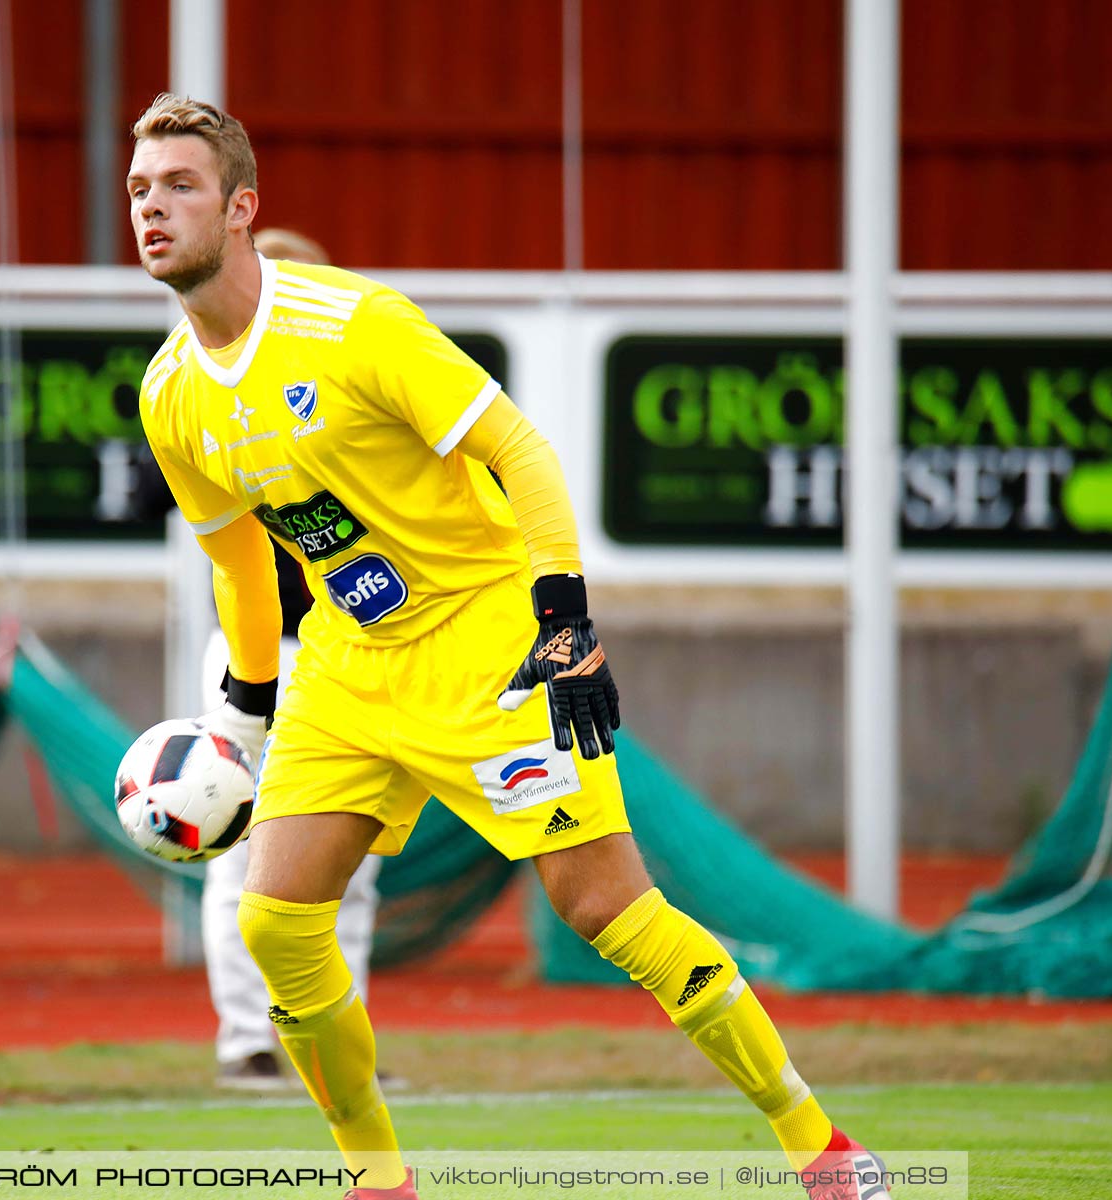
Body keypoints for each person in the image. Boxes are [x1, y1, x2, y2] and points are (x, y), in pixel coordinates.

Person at [127, 93, 890, 1200]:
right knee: (274, 922)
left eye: (181, 186)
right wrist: (242, 717)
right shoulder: (169, 393)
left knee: (607, 914)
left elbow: (521, 452)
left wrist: (565, 620)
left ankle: (817, 1145)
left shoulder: (356, 325)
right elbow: (242, 565)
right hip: (346, 663)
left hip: (486, 640)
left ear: (243, 208)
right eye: (142, 191)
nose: (154, 209)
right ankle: (380, 1180)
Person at [199, 227, 389, 1092]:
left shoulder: (361, 400)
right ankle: (248, 1039)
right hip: (258, 659)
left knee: (349, 861)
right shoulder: (211, 396)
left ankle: (336, 1042)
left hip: (360, 648)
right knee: (239, 849)